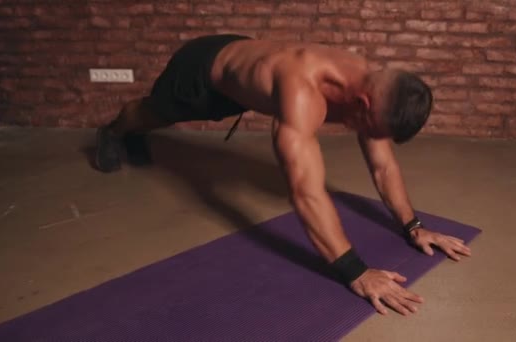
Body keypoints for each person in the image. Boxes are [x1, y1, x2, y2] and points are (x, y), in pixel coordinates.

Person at [95, 34, 472, 316]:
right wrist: (355, 271)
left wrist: (414, 226)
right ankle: (113, 132)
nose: (373, 140)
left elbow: (382, 164)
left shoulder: (369, 85)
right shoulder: (302, 95)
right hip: (201, 71)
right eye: (373, 130)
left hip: (242, 70)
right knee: (151, 115)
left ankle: (133, 132)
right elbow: (306, 193)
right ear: (362, 105)